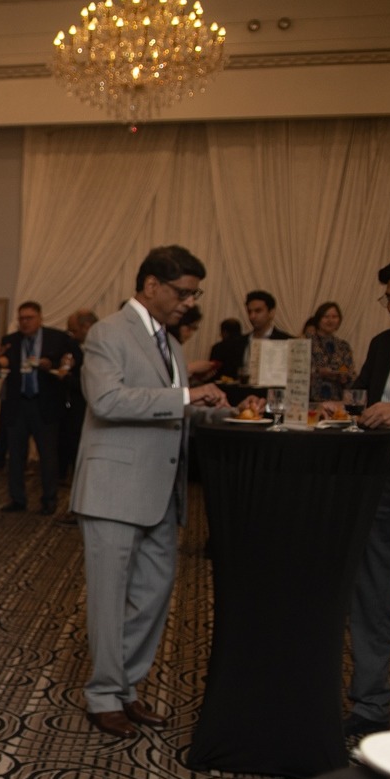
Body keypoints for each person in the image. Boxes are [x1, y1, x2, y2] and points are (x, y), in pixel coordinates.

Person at [71, 245, 244, 739]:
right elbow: (107, 400)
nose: (189, 302)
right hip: (113, 490)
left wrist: (217, 408)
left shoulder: (170, 342)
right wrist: (188, 395)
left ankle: (125, 686)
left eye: (195, 295)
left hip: (161, 491)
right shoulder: (108, 332)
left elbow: (171, 408)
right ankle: (104, 695)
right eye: (184, 292)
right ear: (151, 286)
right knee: (110, 601)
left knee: (152, 597)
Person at [341, 255, 390, 739]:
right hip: (383, 483)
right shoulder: (383, 344)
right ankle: (369, 704)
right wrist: (339, 404)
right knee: (372, 595)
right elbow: (361, 395)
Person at [0, 301, 73, 515]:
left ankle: (49, 500)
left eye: (29, 318)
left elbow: (70, 361)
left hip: (45, 404)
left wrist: (53, 365)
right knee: (16, 456)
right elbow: (4, 364)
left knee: (48, 456)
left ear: (40, 318)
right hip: (18, 404)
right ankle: (17, 499)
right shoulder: (11, 341)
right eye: (21, 318)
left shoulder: (56, 338)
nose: (25, 322)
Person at [58, 309, 96, 484]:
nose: (71, 334)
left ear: (86, 327)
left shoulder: (102, 346)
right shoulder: (71, 346)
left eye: (73, 330)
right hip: (75, 402)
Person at [307, 301, 354, 402]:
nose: (330, 320)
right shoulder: (306, 342)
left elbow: (351, 374)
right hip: (310, 401)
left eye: (334, 317)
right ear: (318, 319)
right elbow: (296, 372)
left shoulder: (343, 346)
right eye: (326, 316)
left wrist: (344, 377)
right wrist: (318, 372)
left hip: (336, 401)